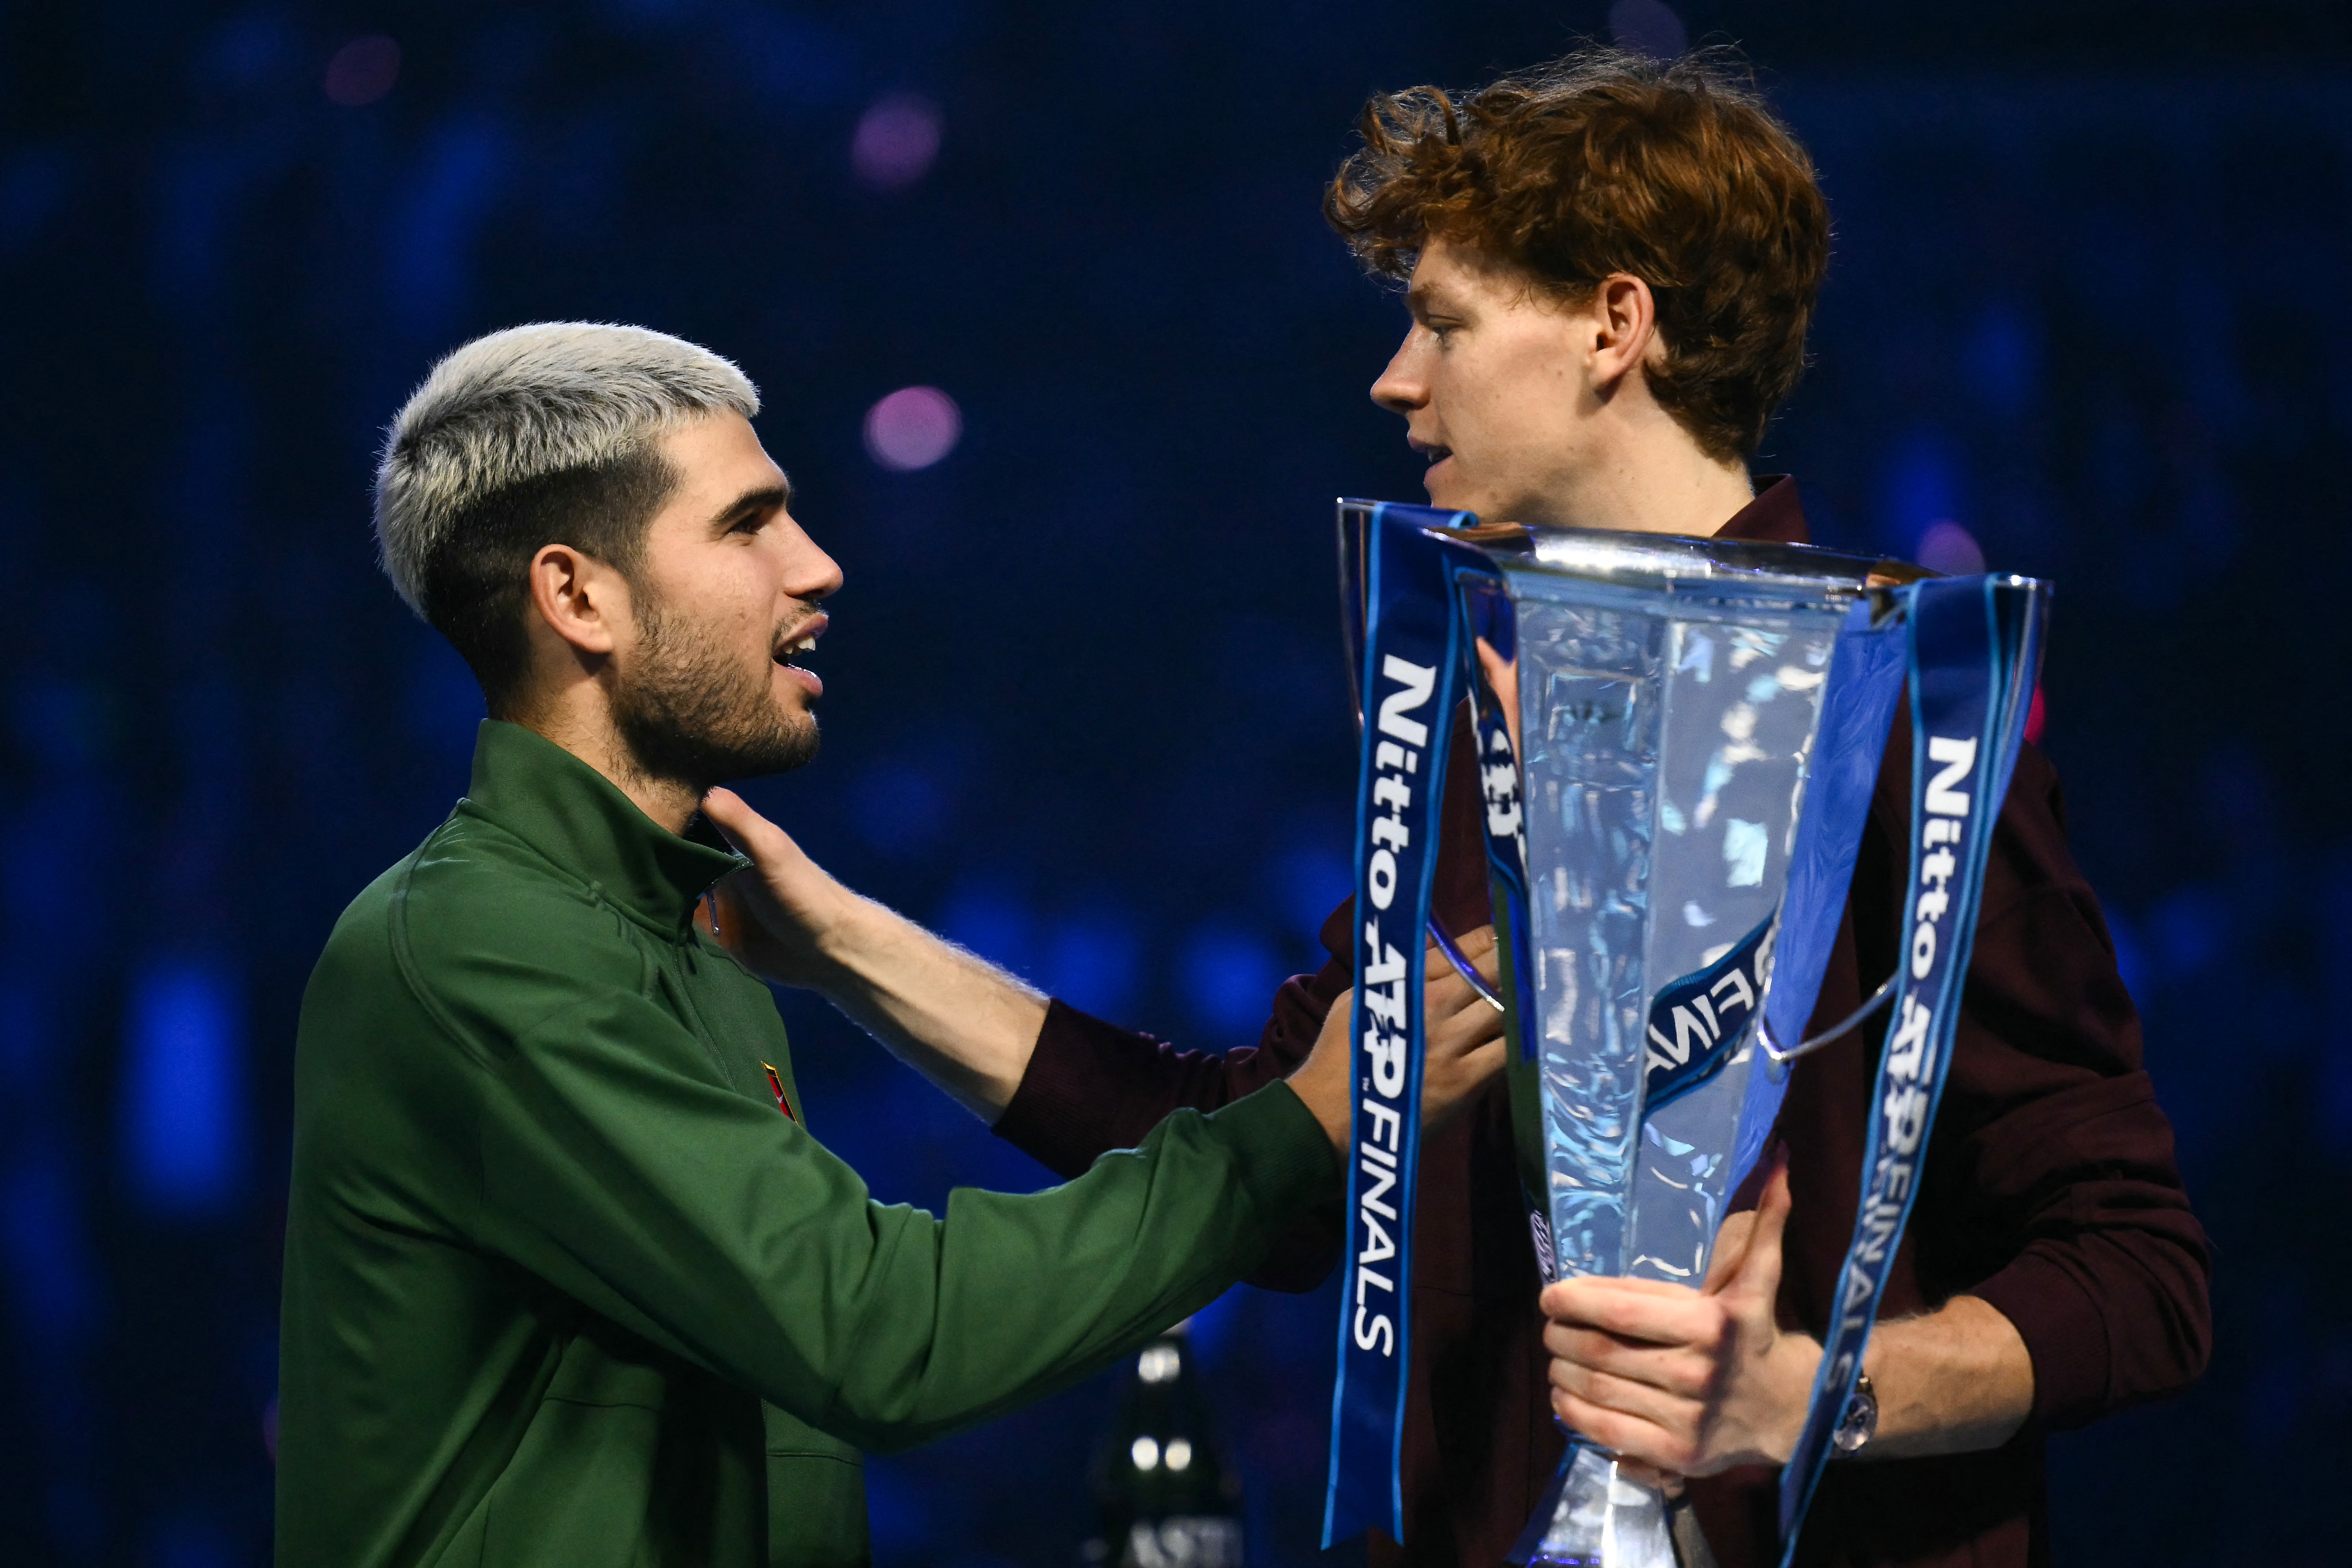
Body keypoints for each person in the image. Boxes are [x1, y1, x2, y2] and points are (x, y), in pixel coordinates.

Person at [743, 48, 2212, 1568]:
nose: (1394, 376)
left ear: (1613, 326)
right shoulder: (1456, 722)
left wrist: (1810, 1389)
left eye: (1444, 322)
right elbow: (1280, 1159)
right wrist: (840, 941)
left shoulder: (1904, 710)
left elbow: (2140, 1273)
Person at [274, 322, 1509, 1568]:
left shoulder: (702, 948)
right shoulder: (478, 940)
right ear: (577, 595)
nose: (818, 567)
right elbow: (872, 1332)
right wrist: (1292, 1127)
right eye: (747, 524)